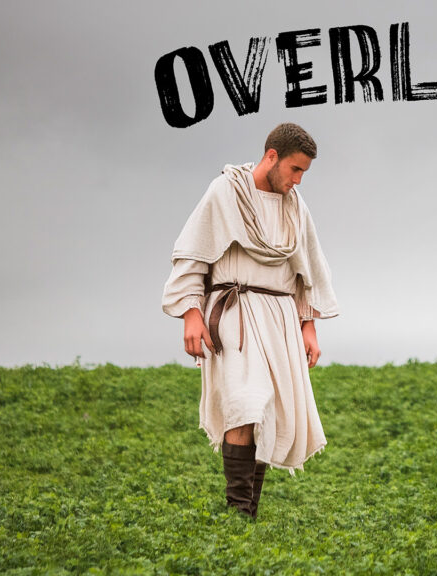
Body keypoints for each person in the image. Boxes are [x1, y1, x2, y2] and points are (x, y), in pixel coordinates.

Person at [162, 123, 338, 518]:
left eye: (304, 173)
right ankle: (238, 509)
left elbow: (307, 268)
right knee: (245, 402)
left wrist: (308, 324)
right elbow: (193, 253)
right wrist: (192, 313)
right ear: (271, 156)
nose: (297, 180)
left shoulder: (295, 206)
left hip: (278, 315)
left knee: (268, 410)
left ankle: (247, 513)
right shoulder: (226, 193)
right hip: (234, 308)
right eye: (294, 170)